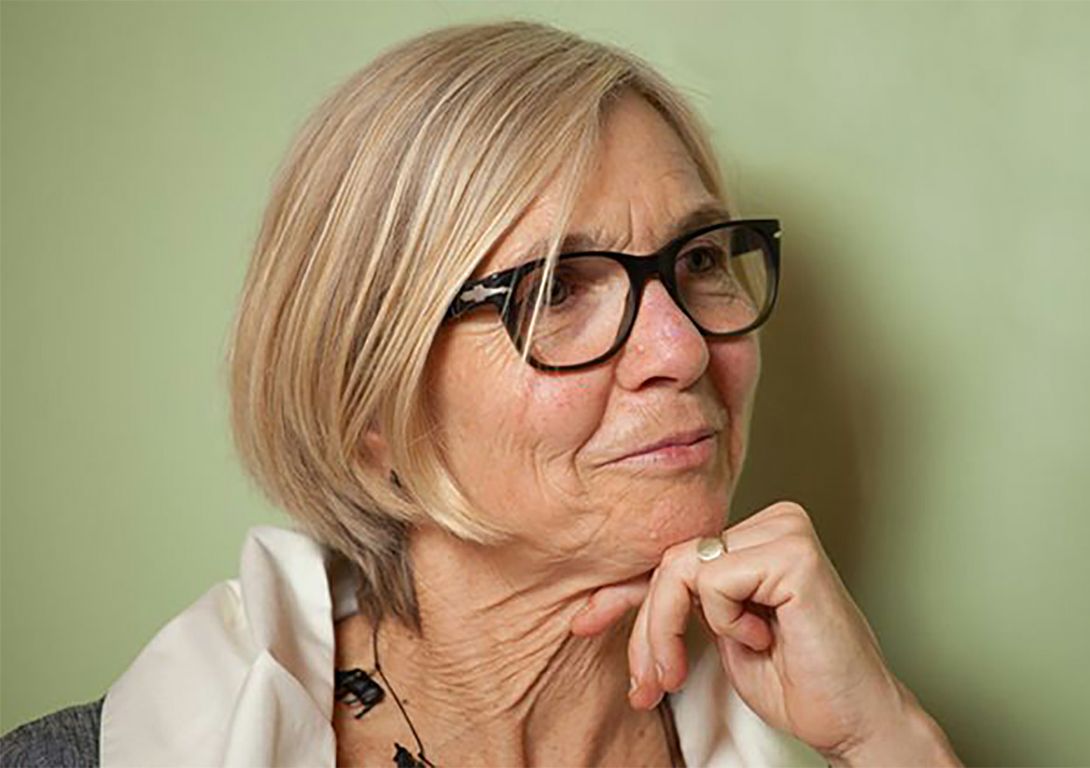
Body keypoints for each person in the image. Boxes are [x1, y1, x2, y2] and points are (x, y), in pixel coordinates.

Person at [1, 21, 961, 767]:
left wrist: (888, 744)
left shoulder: (836, 729)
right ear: (369, 406)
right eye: (554, 289)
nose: (681, 346)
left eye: (700, 258)